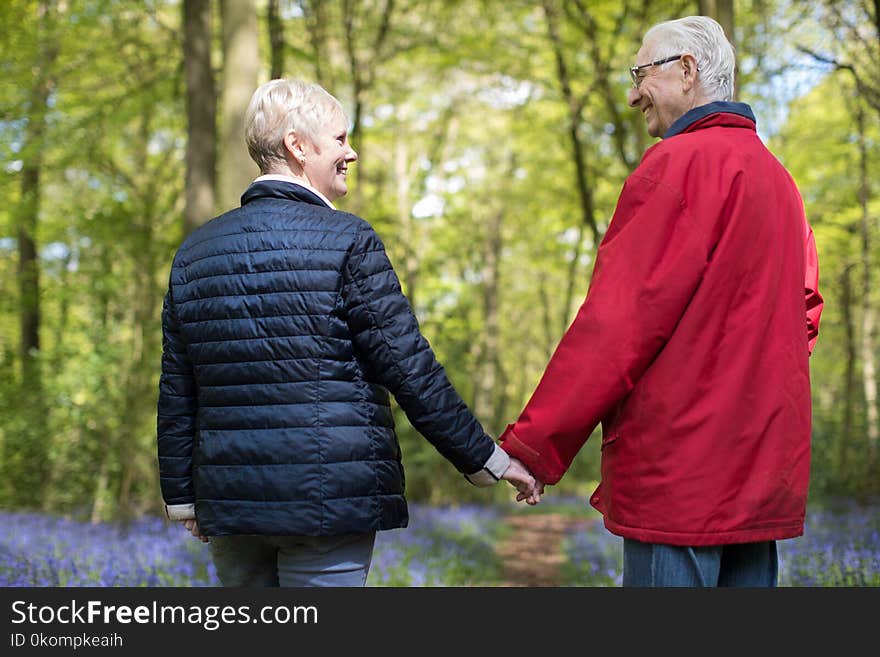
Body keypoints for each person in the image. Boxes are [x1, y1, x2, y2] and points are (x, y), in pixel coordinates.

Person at [157, 79, 538, 587]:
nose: (350, 152)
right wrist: (485, 458)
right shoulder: (349, 240)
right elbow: (408, 366)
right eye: (339, 139)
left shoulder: (195, 253)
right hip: (329, 499)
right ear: (298, 146)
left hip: (230, 501)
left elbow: (177, 390)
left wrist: (181, 495)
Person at [500, 16, 823, 587]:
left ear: (687, 71)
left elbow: (618, 325)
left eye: (640, 73)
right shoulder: (780, 182)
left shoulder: (676, 167)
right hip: (764, 477)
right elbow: (804, 315)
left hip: (680, 482)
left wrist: (536, 444)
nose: (632, 95)